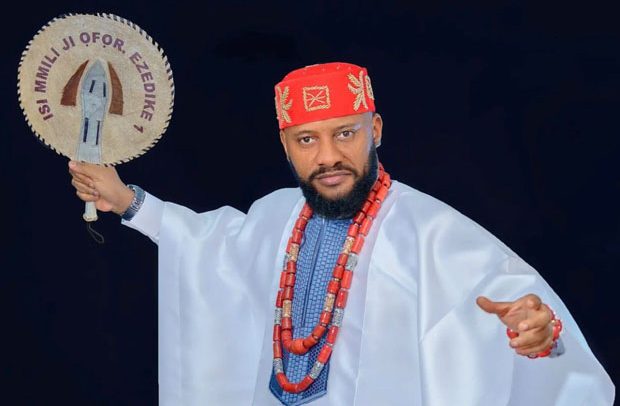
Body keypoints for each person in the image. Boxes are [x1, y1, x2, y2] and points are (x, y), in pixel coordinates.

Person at [69, 62, 614, 405]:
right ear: (286, 146)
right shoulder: (276, 215)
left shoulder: (433, 234)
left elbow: (516, 306)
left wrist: (542, 337)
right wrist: (127, 201)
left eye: (345, 134)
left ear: (375, 130)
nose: (328, 157)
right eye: (307, 140)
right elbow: (210, 244)